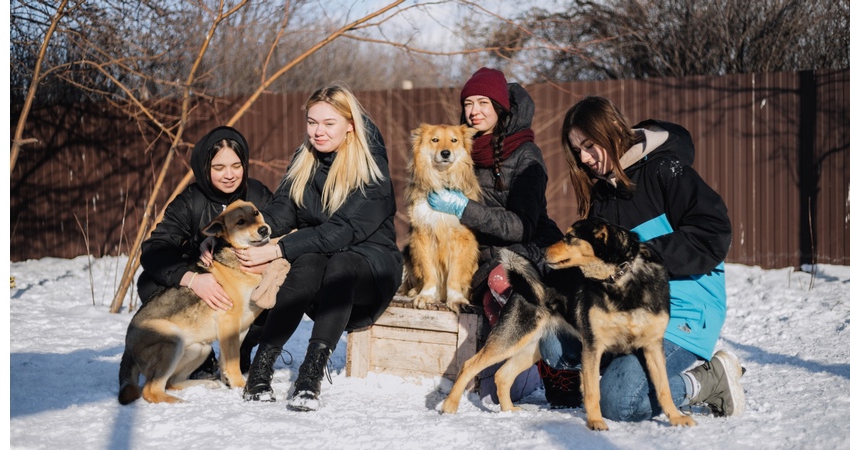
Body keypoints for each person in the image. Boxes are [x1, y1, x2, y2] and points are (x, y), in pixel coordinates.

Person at [544, 95, 743, 420]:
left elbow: (712, 232)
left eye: (589, 145)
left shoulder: (665, 170)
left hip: (683, 308)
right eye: (578, 151)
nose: (585, 159)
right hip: (625, 312)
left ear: (612, 129)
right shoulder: (602, 197)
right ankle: (623, 367)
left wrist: (638, 259)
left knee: (618, 402)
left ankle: (707, 381)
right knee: (554, 342)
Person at [232, 84, 402, 411]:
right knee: (308, 260)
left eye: (328, 123)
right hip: (320, 261)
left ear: (350, 124)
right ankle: (261, 367)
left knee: (340, 264)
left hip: (370, 269)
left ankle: (310, 376)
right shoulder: (306, 158)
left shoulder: (371, 168)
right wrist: (243, 236)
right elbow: (282, 210)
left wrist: (276, 251)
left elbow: (341, 231)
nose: (317, 131)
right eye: (312, 122)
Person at [426, 67, 563, 403]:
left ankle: (556, 365)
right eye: (468, 103)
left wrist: (464, 208)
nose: (474, 111)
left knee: (503, 282)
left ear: (500, 107)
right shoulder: (459, 147)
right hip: (480, 257)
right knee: (494, 386)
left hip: (525, 252)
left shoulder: (525, 154)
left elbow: (521, 226)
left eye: (483, 102)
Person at [137, 126, 273, 378]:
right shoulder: (190, 201)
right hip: (204, 280)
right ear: (204, 168)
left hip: (250, 276)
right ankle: (200, 355)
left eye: (236, 166)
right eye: (219, 168)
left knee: (278, 285)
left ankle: (243, 351)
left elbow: (285, 229)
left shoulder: (257, 194)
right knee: (149, 282)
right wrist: (192, 277)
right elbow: (155, 249)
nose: (229, 175)